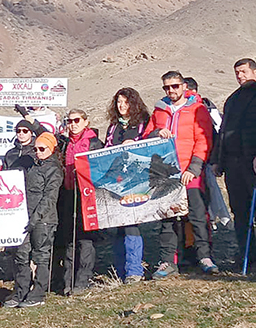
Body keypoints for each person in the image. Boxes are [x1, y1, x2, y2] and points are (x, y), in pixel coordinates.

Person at [146, 73, 218, 277]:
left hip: (190, 170)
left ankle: (204, 256)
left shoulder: (197, 109)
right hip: (166, 173)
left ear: (184, 86)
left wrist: (194, 168)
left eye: (175, 86)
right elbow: (147, 135)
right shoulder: (160, 110)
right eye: (166, 87)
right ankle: (168, 261)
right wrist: (156, 134)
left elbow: (204, 139)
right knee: (168, 217)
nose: (171, 91)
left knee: (197, 215)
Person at [215, 60, 256, 272]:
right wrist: (218, 160)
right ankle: (246, 251)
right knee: (239, 210)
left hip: (255, 161)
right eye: (237, 72)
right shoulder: (232, 99)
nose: (240, 76)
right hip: (232, 163)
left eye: (244, 72)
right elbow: (223, 133)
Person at [4, 133, 62, 308]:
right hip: (25, 216)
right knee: (21, 255)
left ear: (51, 149)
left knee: (40, 256)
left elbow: (50, 197)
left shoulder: (54, 169)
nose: (38, 152)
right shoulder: (32, 167)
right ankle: (20, 291)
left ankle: (38, 293)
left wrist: (35, 218)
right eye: (36, 149)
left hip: (44, 220)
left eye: (42, 149)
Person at [104, 89, 151, 283]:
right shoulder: (113, 127)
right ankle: (120, 270)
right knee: (118, 224)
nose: (122, 106)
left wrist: (136, 142)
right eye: (119, 102)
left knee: (131, 222)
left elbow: (150, 145)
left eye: (126, 102)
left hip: (136, 180)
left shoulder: (142, 123)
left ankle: (134, 270)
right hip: (116, 181)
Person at [57, 110, 101, 295]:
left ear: (86, 122)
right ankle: (69, 280)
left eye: (77, 120)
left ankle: (83, 280)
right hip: (68, 193)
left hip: (87, 195)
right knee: (69, 238)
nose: (73, 124)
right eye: (69, 121)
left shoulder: (94, 142)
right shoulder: (65, 142)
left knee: (85, 238)